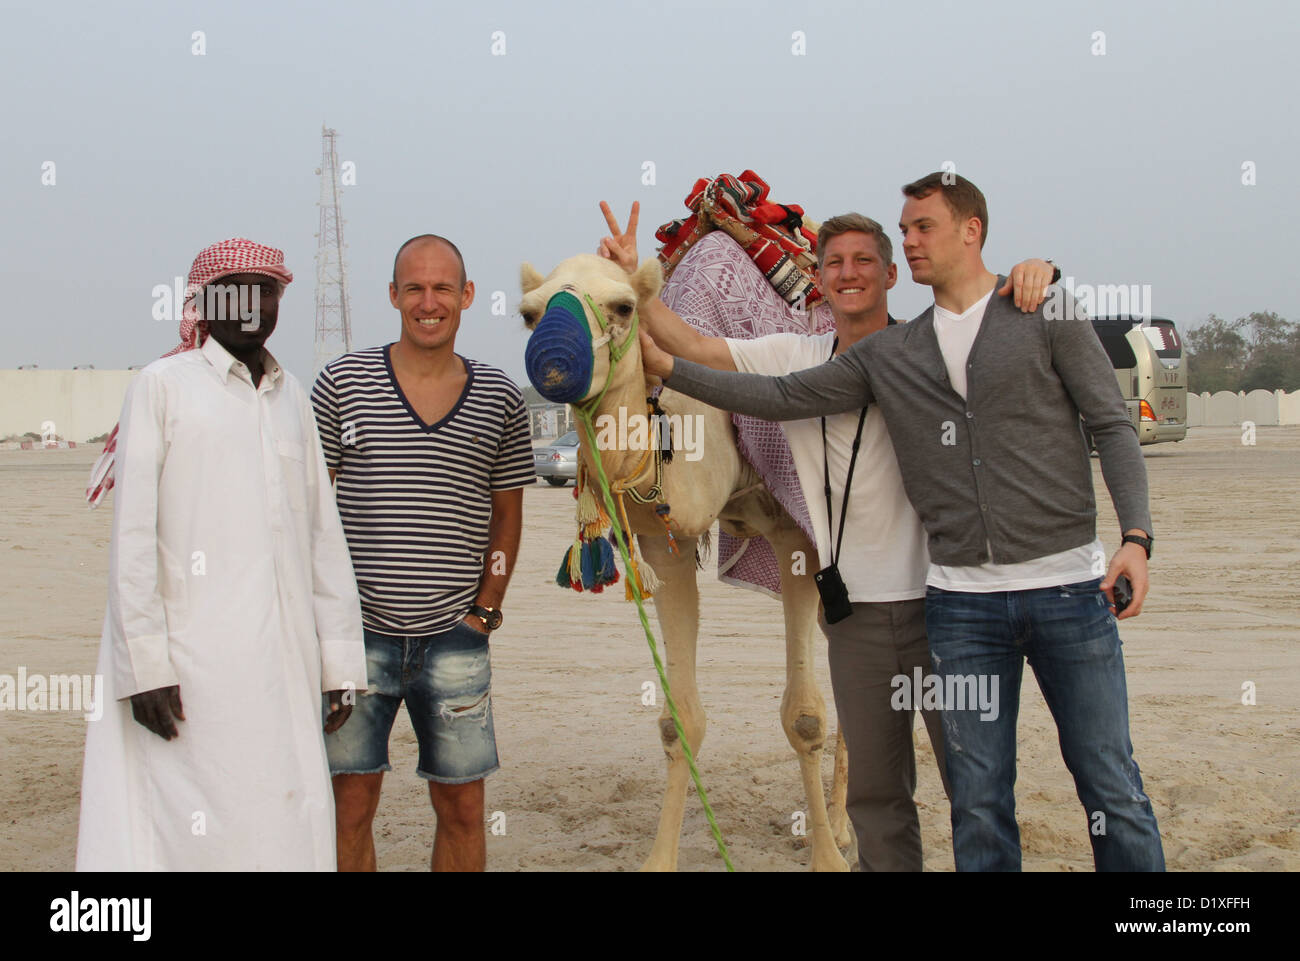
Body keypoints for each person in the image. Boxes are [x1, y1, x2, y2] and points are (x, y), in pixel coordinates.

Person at [640, 174, 1165, 872]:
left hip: (1055, 591)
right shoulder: (889, 354)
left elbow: (1110, 422)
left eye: (923, 228)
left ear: (970, 231)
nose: (913, 240)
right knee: (966, 799)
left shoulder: (1038, 311)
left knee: (1104, 781)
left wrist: (1137, 537)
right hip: (954, 606)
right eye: (907, 228)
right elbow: (778, 393)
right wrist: (660, 353)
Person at [77, 237, 367, 871]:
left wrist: (340, 662)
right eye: (233, 288)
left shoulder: (293, 398)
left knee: (285, 816)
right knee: (188, 829)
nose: (250, 303)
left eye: (264, 289)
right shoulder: (161, 387)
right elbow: (132, 543)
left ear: (279, 302)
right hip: (190, 672)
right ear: (204, 299)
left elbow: (323, 535)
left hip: (284, 666)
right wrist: (144, 668)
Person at [313, 234, 534, 872]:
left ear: (466, 296)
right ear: (393, 296)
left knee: (463, 808)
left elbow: (507, 513)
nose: (428, 302)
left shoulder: (499, 397)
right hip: (357, 642)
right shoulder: (341, 385)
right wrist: (325, 623)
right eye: (414, 288)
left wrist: (487, 610)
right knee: (350, 805)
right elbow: (307, 511)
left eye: (443, 288)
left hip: (455, 642)